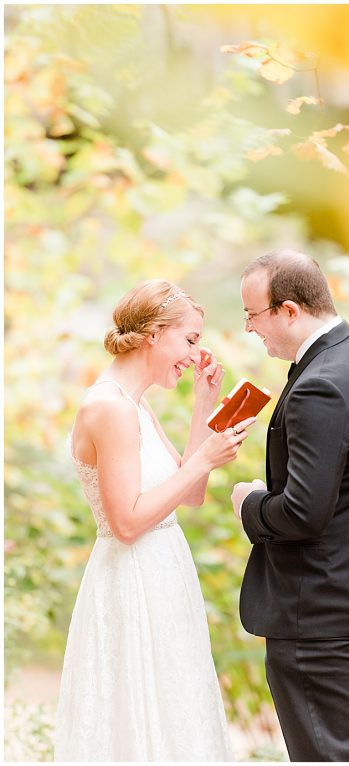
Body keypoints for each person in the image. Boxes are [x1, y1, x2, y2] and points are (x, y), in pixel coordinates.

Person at [56, 280, 255, 760]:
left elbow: (192, 495)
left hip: (165, 576)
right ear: (154, 334)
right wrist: (205, 459)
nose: (196, 353)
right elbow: (125, 523)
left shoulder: (135, 404)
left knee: (176, 713)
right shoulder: (108, 408)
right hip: (132, 581)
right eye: (190, 340)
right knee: (138, 719)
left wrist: (204, 406)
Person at [230, 250, 349, 761]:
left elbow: (304, 513)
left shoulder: (320, 385)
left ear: (288, 310)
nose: (249, 330)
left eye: (252, 316)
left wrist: (251, 504)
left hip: (316, 612)